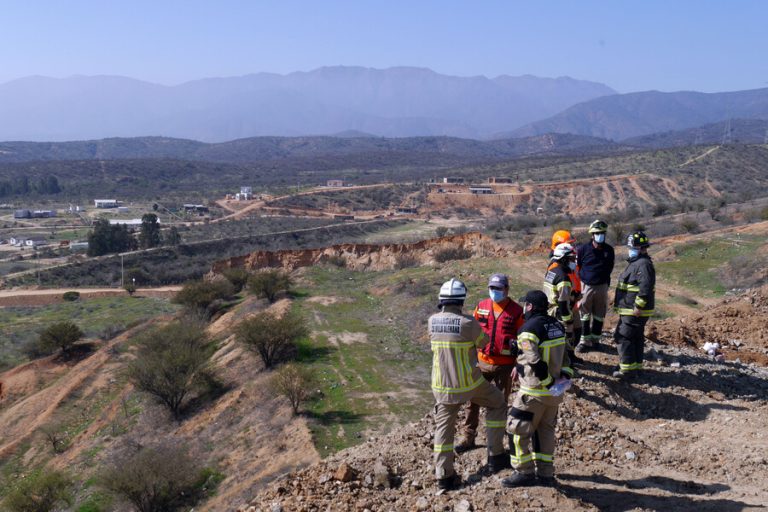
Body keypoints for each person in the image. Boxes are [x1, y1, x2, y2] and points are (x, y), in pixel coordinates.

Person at [430, 278, 509, 490]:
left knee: (444, 431)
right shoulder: (468, 323)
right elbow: (484, 343)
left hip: (442, 386)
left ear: (442, 300)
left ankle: (444, 476)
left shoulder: (432, 321)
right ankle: (495, 456)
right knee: (498, 402)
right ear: (461, 300)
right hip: (469, 383)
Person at [503, 290, 573, 487]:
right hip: (554, 394)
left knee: (516, 429)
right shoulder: (557, 326)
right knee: (545, 432)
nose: (524, 307)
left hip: (534, 392)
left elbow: (534, 360)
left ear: (531, 306)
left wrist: (548, 382)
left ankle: (523, 472)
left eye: (526, 304)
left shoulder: (528, 329)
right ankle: (545, 474)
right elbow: (567, 356)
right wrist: (563, 377)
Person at [455, 273, 524, 451]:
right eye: (492, 288)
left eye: (499, 288)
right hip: (482, 362)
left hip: (505, 365)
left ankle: (496, 442)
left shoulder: (517, 311)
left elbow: (523, 339)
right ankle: (468, 437)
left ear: (506, 289)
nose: (495, 291)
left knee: (500, 403)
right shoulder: (481, 307)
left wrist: (518, 364)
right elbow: (472, 332)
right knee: (472, 401)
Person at [612, 231, 655, 380]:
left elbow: (645, 287)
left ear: (642, 248)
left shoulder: (642, 264)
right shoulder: (637, 263)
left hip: (634, 310)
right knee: (635, 338)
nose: (630, 250)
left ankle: (628, 371)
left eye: (633, 247)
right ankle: (635, 367)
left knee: (623, 336)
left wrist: (639, 306)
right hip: (630, 308)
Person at [575, 220, 615, 353]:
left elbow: (610, 268)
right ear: (592, 235)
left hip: (602, 286)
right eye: (597, 233)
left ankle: (596, 340)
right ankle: (584, 342)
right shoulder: (583, 250)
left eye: (602, 233)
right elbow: (577, 267)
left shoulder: (609, 250)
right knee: (584, 315)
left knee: (599, 315)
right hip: (586, 286)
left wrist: (605, 284)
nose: (600, 235)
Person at [544, 243, 581, 364]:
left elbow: (554, 293)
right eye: (571, 259)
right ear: (563, 258)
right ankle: (565, 364)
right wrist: (568, 321)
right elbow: (563, 303)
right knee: (566, 338)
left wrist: (573, 296)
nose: (574, 262)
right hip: (559, 313)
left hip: (549, 310)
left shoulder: (552, 271)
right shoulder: (563, 278)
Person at [548, 231, 583, 354]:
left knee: (577, 332)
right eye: (569, 243)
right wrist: (568, 319)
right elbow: (561, 298)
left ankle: (570, 356)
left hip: (572, 302)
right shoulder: (557, 269)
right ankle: (566, 361)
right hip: (564, 308)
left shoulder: (567, 264)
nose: (572, 246)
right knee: (567, 335)